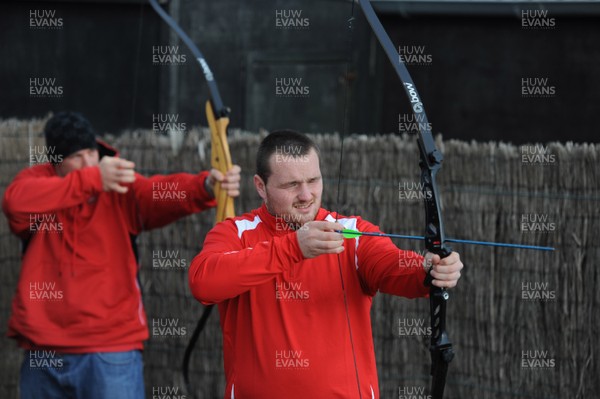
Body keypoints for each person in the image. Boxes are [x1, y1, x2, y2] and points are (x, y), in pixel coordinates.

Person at [189, 130, 463, 398]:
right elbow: (203, 283)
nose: (306, 195)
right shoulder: (236, 233)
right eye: (291, 185)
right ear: (261, 187)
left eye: (313, 180)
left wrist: (429, 270)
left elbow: (393, 267)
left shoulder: (352, 232)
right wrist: (293, 247)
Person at [2, 111, 241, 399]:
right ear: (55, 162)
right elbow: (15, 204)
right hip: (44, 349)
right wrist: (91, 180)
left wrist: (204, 186)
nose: (88, 162)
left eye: (91, 153)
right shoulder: (38, 183)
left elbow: (156, 192)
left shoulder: (118, 185)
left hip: (110, 349)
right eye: (76, 157)